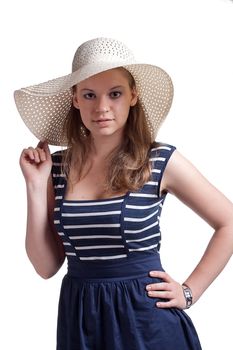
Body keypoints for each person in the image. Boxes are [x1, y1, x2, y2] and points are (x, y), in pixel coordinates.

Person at [15, 37, 233, 350]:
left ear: (132, 96)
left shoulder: (158, 161)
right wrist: (35, 187)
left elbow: (229, 221)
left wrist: (189, 291)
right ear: (75, 99)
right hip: (80, 320)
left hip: (147, 321)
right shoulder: (56, 166)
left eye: (114, 94)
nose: (101, 107)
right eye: (89, 95)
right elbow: (46, 267)